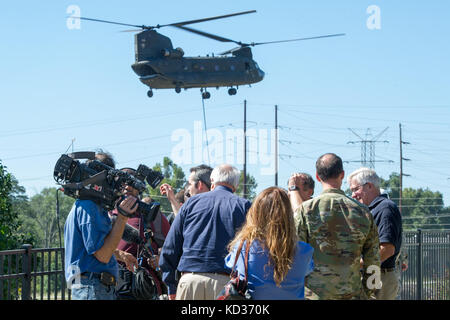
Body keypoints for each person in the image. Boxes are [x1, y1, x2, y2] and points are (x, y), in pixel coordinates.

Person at [294, 153, 380, 300]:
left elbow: (295, 255)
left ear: (317, 176)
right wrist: (368, 292)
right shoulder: (363, 212)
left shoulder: (305, 211)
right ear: (342, 174)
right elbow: (373, 261)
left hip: (313, 295)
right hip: (352, 294)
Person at [159, 164, 251, 300]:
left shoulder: (191, 203)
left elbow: (170, 247)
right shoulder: (245, 206)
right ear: (235, 185)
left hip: (189, 281)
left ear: (212, 181)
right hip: (226, 287)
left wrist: (171, 287)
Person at [64, 151, 139, 300]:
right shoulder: (90, 207)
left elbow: (90, 249)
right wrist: (123, 217)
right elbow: (102, 256)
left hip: (88, 286)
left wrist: (121, 255)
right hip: (92, 287)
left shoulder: (83, 205)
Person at [225, 187, 314, 299]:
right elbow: (308, 270)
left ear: (256, 213)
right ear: (288, 214)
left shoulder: (243, 247)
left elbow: (229, 264)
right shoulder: (305, 250)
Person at [112, 168, 171, 300]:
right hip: (112, 287)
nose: (127, 186)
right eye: (123, 182)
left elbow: (172, 248)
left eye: (131, 181)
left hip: (143, 288)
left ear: (139, 186)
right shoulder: (108, 214)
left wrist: (159, 259)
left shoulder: (153, 216)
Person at [348, 167, 403, 300]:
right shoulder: (372, 209)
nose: (353, 195)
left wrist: (357, 263)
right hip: (374, 274)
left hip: (379, 276)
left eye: (356, 189)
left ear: (369, 186)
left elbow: (387, 249)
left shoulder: (385, 208)